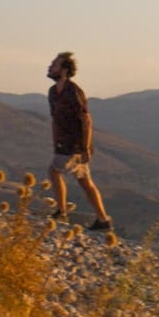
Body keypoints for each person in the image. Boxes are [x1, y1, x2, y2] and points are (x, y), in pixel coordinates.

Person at [46, 51, 111, 231]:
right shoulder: (53, 92)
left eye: (54, 64)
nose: (50, 67)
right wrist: (55, 140)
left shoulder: (73, 91)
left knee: (54, 171)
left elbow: (86, 120)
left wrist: (85, 147)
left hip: (74, 144)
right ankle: (103, 220)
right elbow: (55, 118)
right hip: (63, 143)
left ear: (65, 70)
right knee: (84, 181)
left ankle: (61, 212)